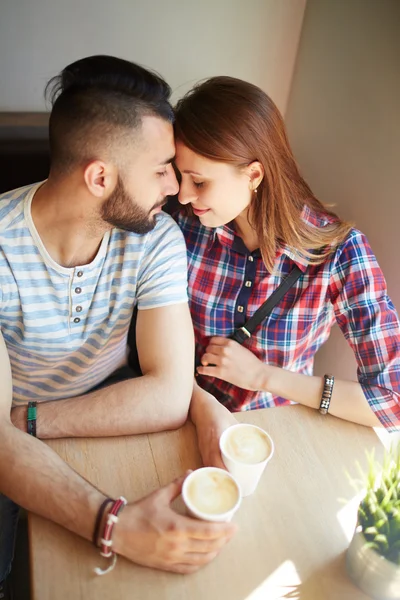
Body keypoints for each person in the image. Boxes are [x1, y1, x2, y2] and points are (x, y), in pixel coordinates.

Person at [0, 57, 236, 598]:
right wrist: (113, 524)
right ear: (100, 176)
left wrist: (28, 420)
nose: (175, 188)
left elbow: (170, 393)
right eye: (160, 169)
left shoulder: (155, 240)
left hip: (83, 412)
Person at [171, 76, 400, 468]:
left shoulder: (338, 253)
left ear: (254, 175)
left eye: (200, 181)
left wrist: (264, 377)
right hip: (181, 419)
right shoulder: (182, 226)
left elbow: (392, 399)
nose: (183, 195)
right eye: (180, 176)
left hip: (275, 438)